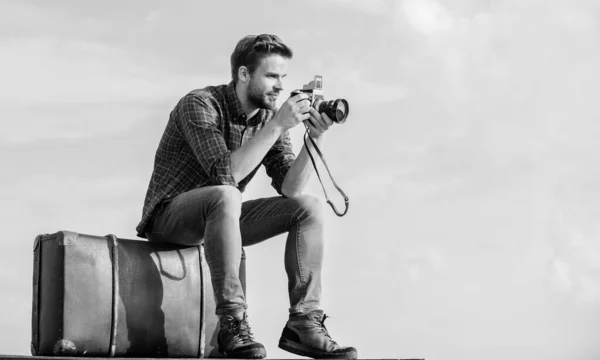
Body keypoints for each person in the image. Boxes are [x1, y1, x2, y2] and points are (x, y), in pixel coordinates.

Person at [136, 34, 357, 360]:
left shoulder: (268, 119)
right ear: (243, 75)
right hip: (171, 217)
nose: (280, 86)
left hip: (223, 215)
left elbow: (290, 187)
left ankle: (304, 322)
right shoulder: (199, 104)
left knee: (308, 206)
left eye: (283, 76)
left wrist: (315, 137)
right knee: (226, 193)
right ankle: (233, 322)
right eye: (271, 76)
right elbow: (225, 174)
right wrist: (279, 125)